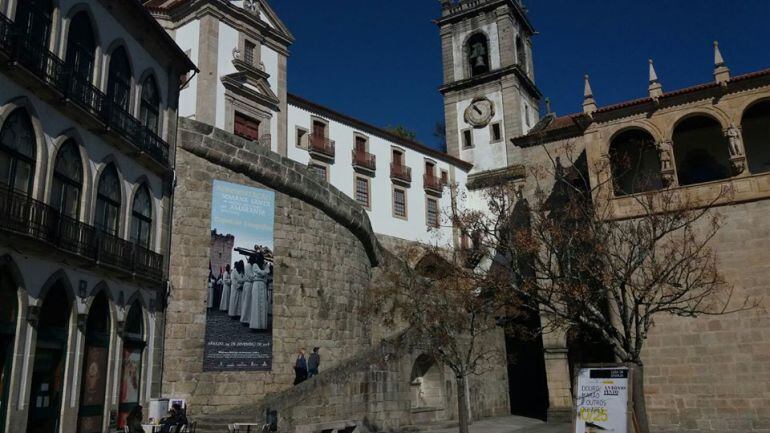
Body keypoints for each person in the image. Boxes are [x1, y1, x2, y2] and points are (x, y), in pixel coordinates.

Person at [249, 252, 270, 330]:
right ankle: (255, 325)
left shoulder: (264, 265)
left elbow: (266, 273)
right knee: (256, 304)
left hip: (263, 285)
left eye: (259, 257)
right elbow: (261, 273)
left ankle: (262, 326)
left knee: (262, 304)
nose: (258, 258)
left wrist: (264, 272)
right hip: (257, 285)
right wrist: (265, 272)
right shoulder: (255, 265)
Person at [240, 255, 256, 326]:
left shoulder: (249, 266)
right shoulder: (248, 266)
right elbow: (251, 276)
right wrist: (257, 276)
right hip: (248, 285)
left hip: (249, 285)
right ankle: (244, 319)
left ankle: (248, 318)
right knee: (247, 302)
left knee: (248, 302)